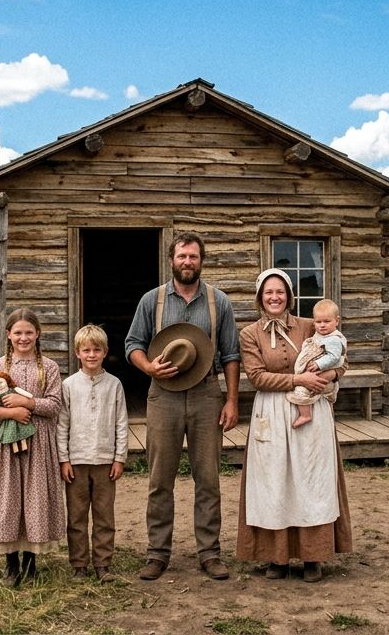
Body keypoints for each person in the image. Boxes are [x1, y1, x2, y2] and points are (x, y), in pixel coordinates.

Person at [124, 232, 241, 581]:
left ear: (201, 260)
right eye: (181, 256)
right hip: (164, 395)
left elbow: (231, 354)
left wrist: (232, 400)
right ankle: (157, 554)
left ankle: (210, 553)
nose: (187, 262)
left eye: (193, 256)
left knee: (208, 478)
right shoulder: (153, 300)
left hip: (206, 394)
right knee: (160, 479)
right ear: (171, 260)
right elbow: (133, 343)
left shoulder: (218, 301)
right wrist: (148, 367)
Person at [237, 269, 353, 583]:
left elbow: (341, 359)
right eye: (268, 292)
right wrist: (297, 379)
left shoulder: (309, 326)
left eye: (280, 292)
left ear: (289, 296)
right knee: (274, 481)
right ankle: (277, 558)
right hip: (272, 411)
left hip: (311, 409)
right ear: (260, 298)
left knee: (310, 480)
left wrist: (325, 378)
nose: (274, 297)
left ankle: (313, 556)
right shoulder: (250, 334)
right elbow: (257, 377)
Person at [0, 308, 66, 587]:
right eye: (18, 333)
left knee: (34, 498)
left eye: (28, 332)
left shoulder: (47, 367)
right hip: (5, 445)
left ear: (38, 334)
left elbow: (54, 405)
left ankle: (31, 561)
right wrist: (9, 414)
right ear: (8, 335)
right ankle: (10, 564)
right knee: (9, 497)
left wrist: (27, 404)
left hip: (38, 443)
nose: (23, 338)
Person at [57, 324, 129, 581]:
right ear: (77, 352)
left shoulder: (114, 385)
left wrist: (119, 457)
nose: (91, 355)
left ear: (105, 352)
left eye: (96, 350)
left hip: (104, 461)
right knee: (76, 516)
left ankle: (102, 564)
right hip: (76, 462)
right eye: (86, 350)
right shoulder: (68, 386)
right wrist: (63, 459)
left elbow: (121, 423)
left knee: (104, 515)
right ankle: (79, 564)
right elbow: (62, 423)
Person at [288, 299, 347, 429]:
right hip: (315, 374)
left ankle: (305, 415)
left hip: (321, 374)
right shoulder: (320, 335)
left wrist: (319, 364)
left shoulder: (333, 339)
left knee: (301, 391)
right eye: (318, 322)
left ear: (337, 321)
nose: (322, 325)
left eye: (327, 321)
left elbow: (335, 357)